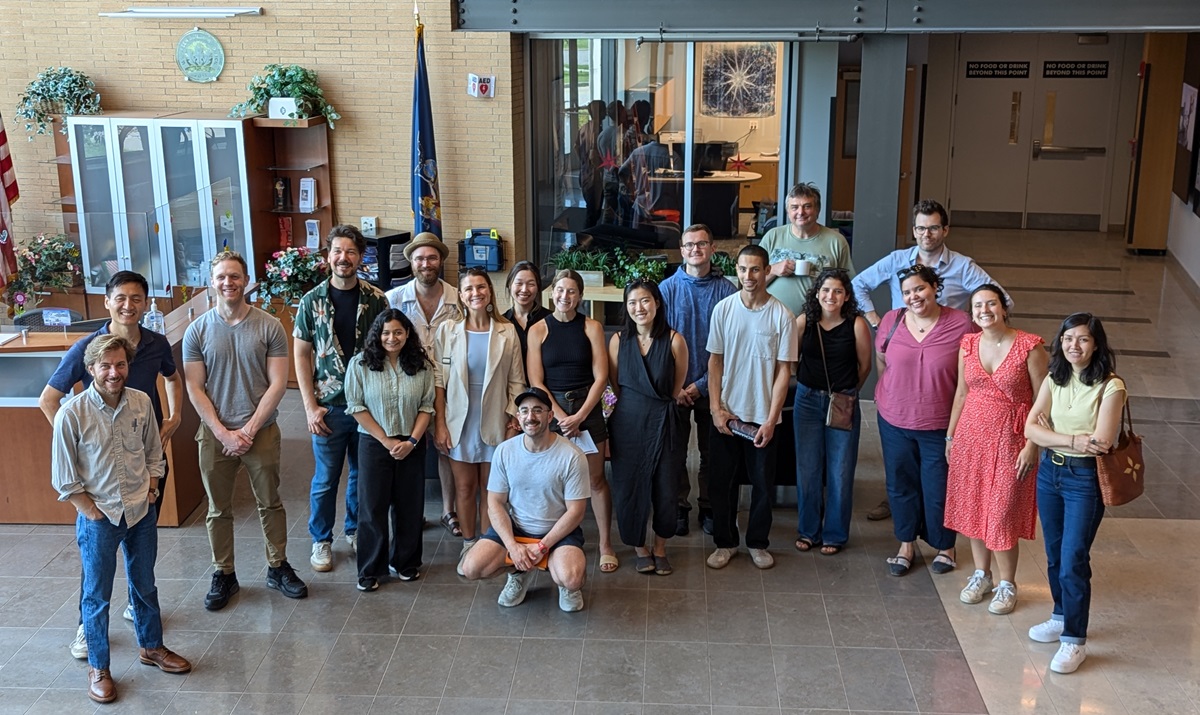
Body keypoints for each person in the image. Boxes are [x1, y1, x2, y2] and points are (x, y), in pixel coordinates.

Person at [38, 270, 183, 659]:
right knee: (97, 569)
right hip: (98, 487)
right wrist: (79, 444)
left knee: (142, 564)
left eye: (137, 298)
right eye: (121, 297)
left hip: (140, 467)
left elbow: (172, 378)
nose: (128, 305)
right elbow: (49, 400)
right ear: (107, 301)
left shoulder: (154, 343)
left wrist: (174, 417)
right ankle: (88, 632)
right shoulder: (90, 349)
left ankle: (145, 628)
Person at [51, 335, 191, 704]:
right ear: (91, 369)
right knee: (96, 596)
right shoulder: (72, 413)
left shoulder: (142, 402)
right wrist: (93, 512)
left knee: (144, 584)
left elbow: (153, 453)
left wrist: (152, 489)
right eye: (106, 366)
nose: (114, 373)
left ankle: (152, 647)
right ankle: (98, 667)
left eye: (121, 365)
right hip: (100, 517)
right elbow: (65, 479)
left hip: (141, 511)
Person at [851, 199, 1008, 521]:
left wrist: (972, 327)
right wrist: (878, 322)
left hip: (943, 360)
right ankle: (897, 501)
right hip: (902, 353)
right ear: (914, 230)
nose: (927, 234)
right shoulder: (898, 260)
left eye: (934, 227)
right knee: (899, 433)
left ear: (945, 230)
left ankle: (935, 509)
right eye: (921, 228)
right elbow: (858, 285)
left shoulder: (962, 266)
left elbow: (1002, 299)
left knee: (936, 438)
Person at [183, 250, 307, 611]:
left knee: (270, 501)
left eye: (234, 276)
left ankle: (277, 566)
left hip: (261, 431)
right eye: (221, 276)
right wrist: (223, 433)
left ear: (246, 281)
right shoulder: (197, 330)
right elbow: (195, 388)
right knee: (217, 509)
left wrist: (249, 430)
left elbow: (278, 383)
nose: (228, 283)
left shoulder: (268, 326)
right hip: (214, 434)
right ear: (211, 282)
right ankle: (224, 573)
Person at [1023, 313, 1125, 675]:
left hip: (1084, 479)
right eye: (1068, 339)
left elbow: (1102, 441)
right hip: (1050, 472)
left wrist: (1053, 433)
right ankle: (1060, 614)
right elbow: (1030, 427)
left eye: (1082, 339)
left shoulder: (1111, 386)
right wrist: (1070, 439)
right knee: (1053, 554)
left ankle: (1074, 640)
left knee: (1073, 558)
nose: (1073, 346)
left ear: (1096, 344)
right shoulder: (1055, 377)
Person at [945, 285, 1048, 615]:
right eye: (977, 306)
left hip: (1011, 438)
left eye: (991, 303)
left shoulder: (1030, 346)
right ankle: (981, 574)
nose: (984, 310)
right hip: (971, 436)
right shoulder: (968, 344)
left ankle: (1008, 583)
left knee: (1002, 511)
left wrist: (1033, 445)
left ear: (1004, 308)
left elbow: (1043, 403)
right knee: (975, 506)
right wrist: (950, 437)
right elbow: (961, 392)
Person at [294, 225, 389, 573]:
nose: (343, 258)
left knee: (362, 475)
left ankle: (354, 530)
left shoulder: (377, 300)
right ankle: (321, 539)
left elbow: (386, 351)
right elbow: (301, 355)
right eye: (337, 251)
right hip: (329, 406)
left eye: (350, 252)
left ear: (360, 257)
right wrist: (309, 406)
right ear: (328, 256)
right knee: (326, 477)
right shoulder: (311, 301)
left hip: (367, 405)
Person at [874, 264, 973, 577]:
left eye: (920, 288)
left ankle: (945, 546)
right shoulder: (892, 320)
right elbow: (881, 359)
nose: (913, 296)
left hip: (939, 424)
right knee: (900, 484)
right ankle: (906, 544)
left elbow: (971, 374)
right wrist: (883, 396)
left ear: (935, 288)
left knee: (937, 486)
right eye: (907, 292)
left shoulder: (961, 324)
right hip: (894, 420)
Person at [706, 245, 797, 570]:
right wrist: (716, 408)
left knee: (762, 484)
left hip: (762, 417)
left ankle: (757, 542)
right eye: (743, 269)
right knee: (722, 482)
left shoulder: (781, 316)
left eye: (755, 269)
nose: (748, 276)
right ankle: (725, 542)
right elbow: (714, 362)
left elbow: (784, 371)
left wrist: (772, 420)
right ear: (737, 270)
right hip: (727, 416)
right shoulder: (724, 309)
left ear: (766, 270)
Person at [459, 386, 589, 612]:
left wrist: (542, 546)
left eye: (538, 410)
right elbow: (495, 503)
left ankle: (567, 586)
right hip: (517, 529)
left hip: (556, 533)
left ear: (550, 416)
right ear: (518, 417)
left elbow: (576, 512)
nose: (531, 416)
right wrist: (513, 546)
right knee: (471, 568)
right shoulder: (505, 451)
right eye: (525, 411)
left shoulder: (572, 456)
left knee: (571, 577)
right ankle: (519, 572)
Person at [433, 268, 526, 569]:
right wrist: (440, 424)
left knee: (491, 491)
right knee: (464, 488)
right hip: (458, 422)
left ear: (490, 292)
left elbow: (517, 382)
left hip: (494, 422)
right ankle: (470, 543)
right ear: (460, 295)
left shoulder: (506, 331)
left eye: (481, 287)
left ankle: (490, 543)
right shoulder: (447, 330)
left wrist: (512, 421)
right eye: (469, 289)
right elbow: (437, 381)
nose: (476, 293)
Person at [527, 269, 616, 571]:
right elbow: (536, 380)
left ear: (580, 296)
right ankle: (557, 542)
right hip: (551, 412)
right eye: (560, 290)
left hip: (587, 408)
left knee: (596, 480)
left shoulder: (591, 326)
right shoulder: (538, 329)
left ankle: (605, 544)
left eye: (572, 291)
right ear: (551, 293)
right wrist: (561, 416)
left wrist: (580, 415)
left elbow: (601, 375)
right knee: (553, 481)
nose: (565, 296)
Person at [344, 309, 435, 590]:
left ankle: (405, 562)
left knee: (409, 506)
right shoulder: (360, 365)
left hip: (411, 442)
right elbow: (356, 406)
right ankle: (371, 568)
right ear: (377, 335)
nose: (392, 338)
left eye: (398, 332)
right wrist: (386, 441)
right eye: (385, 332)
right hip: (374, 443)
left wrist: (411, 442)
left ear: (408, 334)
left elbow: (426, 406)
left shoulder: (421, 365)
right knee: (372, 507)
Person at [659, 224, 737, 536]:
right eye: (689, 245)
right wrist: (676, 386)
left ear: (712, 248)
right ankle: (679, 506)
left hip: (713, 387)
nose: (695, 250)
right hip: (674, 389)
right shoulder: (666, 291)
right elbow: (658, 342)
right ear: (681, 250)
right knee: (674, 452)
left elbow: (732, 348)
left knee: (711, 452)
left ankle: (708, 506)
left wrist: (701, 385)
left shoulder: (727, 292)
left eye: (702, 244)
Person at [607, 279, 688, 575]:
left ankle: (660, 547)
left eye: (644, 301)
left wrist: (657, 401)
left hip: (664, 421)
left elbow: (676, 385)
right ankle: (639, 548)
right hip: (627, 422)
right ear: (625, 307)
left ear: (657, 303)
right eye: (632, 303)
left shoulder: (675, 340)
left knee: (667, 487)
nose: (638, 308)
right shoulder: (617, 341)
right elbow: (615, 385)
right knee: (629, 486)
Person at [792, 268, 872, 556]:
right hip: (807, 400)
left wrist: (845, 392)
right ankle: (808, 531)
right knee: (808, 468)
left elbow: (865, 367)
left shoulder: (857, 324)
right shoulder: (805, 322)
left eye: (838, 291)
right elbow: (791, 360)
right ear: (817, 293)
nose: (831, 296)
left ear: (846, 296)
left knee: (840, 470)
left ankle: (835, 534)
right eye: (826, 290)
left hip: (843, 400)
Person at [386, 232, 462, 537]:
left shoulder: (458, 300)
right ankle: (411, 513)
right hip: (407, 389)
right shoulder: (393, 300)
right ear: (411, 263)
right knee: (410, 451)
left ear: (440, 261)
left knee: (446, 448)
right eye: (419, 258)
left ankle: (448, 510)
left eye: (431, 258)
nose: (426, 264)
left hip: (449, 387)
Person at [759, 182, 854, 317]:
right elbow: (751, 281)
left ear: (817, 210)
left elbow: (848, 285)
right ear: (788, 211)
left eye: (807, 206)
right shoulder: (772, 236)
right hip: (771, 318)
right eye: (794, 207)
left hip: (818, 323)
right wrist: (773, 270)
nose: (800, 212)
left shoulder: (836, 241)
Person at [502, 260, 551, 364]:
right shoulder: (501, 323)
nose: (524, 289)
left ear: (538, 287)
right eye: (519, 283)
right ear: (509, 285)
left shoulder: (550, 320)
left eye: (531, 284)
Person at [576, 99, 607, 228]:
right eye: (603, 110)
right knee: (594, 211)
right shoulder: (596, 130)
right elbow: (594, 155)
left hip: (584, 173)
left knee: (591, 209)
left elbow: (576, 147)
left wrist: (583, 163)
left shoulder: (583, 128)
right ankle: (586, 240)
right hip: (594, 177)